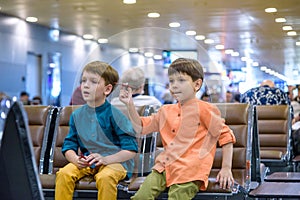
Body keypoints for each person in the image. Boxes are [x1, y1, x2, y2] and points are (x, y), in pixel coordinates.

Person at [119, 58, 236, 199]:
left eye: (181, 80)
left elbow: (226, 137)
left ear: (197, 84)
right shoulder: (165, 111)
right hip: (163, 168)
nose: (174, 85)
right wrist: (129, 104)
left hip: (190, 171)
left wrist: (226, 168)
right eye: (171, 81)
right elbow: (140, 127)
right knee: (140, 197)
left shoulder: (205, 109)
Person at [55, 61, 138, 200]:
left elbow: (130, 150)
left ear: (107, 89)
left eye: (94, 81)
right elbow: (69, 145)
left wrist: (105, 159)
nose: (86, 85)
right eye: (83, 81)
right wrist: (75, 159)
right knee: (64, 174)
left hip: (116, 163)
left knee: (105, 177)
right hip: (89, 161)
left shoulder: (116, 115)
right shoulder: (77, 115)